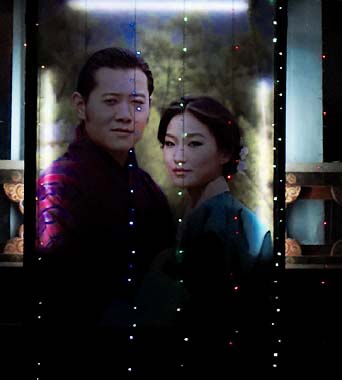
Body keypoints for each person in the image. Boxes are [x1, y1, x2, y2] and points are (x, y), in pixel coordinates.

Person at [35, 47, 175, 330]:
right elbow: (57, 288)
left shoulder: (147, 187)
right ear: (80, 105)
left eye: (137, 103)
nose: (125, 115)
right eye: (111, 101)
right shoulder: (59, 184)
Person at [156, 95, 273, 370]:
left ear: (225, 151)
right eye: (170, 144)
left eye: (194, 143)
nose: (178, 156)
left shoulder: (219, 220)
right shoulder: (207, 211)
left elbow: (207, 317)